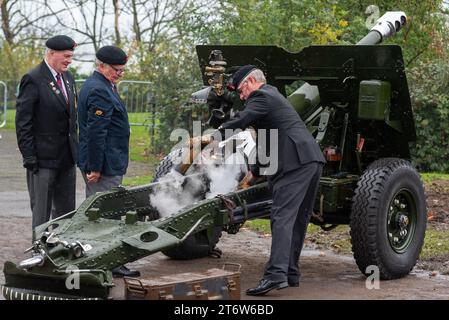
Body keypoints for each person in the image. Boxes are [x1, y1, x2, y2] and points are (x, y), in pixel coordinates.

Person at [218, 65, 326, 296]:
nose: (241, 96)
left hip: (295, 163)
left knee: (282, 218)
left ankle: (275, 276)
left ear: (249, 83)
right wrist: (256, 171)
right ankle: (290, 273)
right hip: (310, 161)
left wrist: (215, 134)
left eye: (240, 91)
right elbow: (268, 138)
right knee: (296, 220)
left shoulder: (261, 95)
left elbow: (241, 120)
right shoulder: (272, 96)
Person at [77, 45, 139, 278]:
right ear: (101, 66)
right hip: (103, 166)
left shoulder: (102, 85)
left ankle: (101, 261)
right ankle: (108, 263)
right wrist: (95, 167)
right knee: (106, 214)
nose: (120, 74)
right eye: (117, 70)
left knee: (102, 212)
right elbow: (96, 132)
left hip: (106, 162)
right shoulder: (99, 90)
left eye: (123, 71)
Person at [15, 35, 78, 237]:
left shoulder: (68, 78)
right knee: (41, 212)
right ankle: (39, 253)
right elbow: (23, 123)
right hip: (42, 159)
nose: (69, 60)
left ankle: (62, 250)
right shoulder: (33, 79)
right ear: (51, 53)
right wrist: (29, 156)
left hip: (67, 157)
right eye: (66, 56)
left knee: (66, 211)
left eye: (71, 56)